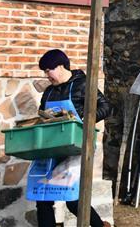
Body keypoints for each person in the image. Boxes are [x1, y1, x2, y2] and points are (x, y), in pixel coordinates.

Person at [36, 49, 112, 227]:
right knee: (43, 197)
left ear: (60, 66)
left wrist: (84, 120)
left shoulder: (83, 84)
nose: (47, 75)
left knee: (72, 199)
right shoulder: (49, 92)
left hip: (77, 147)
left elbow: (106, 107)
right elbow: (41, 114)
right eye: (45, 72)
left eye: (48, 70)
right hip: (52, 147)